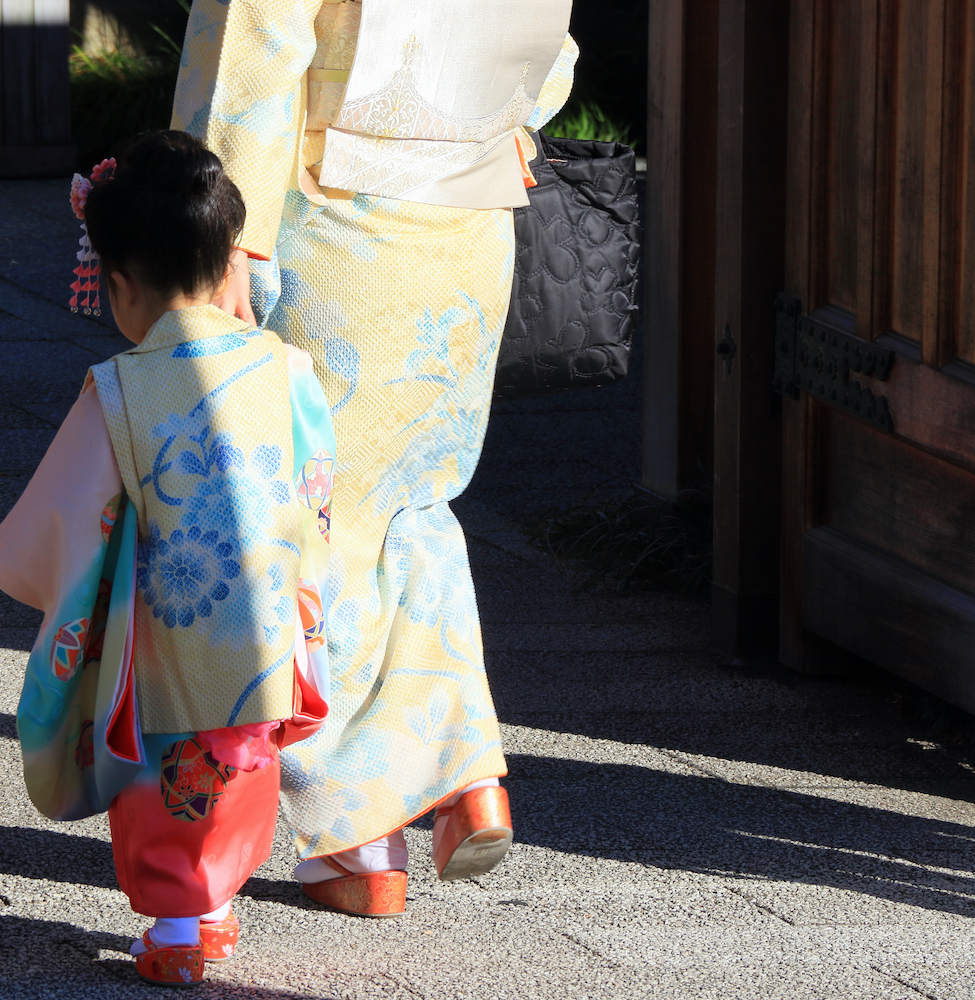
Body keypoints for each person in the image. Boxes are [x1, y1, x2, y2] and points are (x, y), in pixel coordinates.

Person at [169, 0, 578, 915]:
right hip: (470, 217)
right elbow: (552, 62)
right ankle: (463, 767)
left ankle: (361, 839)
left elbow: (255, 41)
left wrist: (218, 232)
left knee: (317, 522)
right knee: (411, 506)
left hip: (338, 213)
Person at [0, 130, 335, 985]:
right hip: (261, 627)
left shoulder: (118, 391)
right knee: (237, 769)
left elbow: (70, 516)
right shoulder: (289, 367)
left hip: (161, 641)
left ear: (118, 287)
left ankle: (181, 930)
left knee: (165, 782)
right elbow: (317, 492)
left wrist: (31, 568)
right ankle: (213, 908)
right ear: (228, 267)